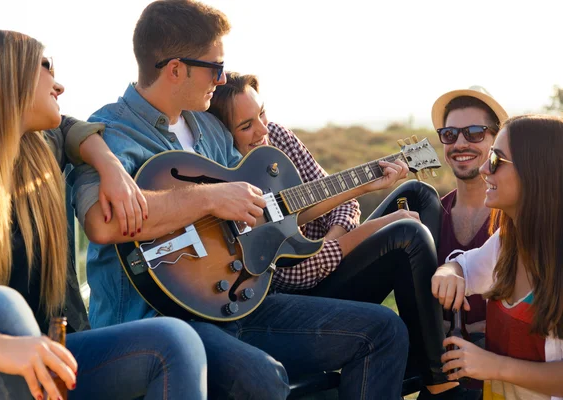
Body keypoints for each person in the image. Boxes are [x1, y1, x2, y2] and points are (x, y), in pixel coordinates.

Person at [71, 1, 409, 399]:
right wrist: (212, 197)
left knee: (383, 330)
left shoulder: (210, 129)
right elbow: (104, 223)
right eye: (215, 67)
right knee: (261, 377)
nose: (223, 76)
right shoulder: (111, 134)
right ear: (175, 68)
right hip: (158, 323)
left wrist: (360, 185)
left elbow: (268, 211)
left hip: (239, 305)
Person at [0, 29, 207, 400]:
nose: (58, 85)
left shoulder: (38, 154)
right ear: (4, 75)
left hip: (51, 358)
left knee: (175, 340)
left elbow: (69, 126)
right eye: (46, 66)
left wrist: (111, 166)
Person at [206, 72, 481, 400]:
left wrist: (337, 234)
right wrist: (367, 231)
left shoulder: (276, 137)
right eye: (246, 125)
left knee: (419, 194)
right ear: (223, 134)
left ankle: (435, 342)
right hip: (301, 297)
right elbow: (297, 274)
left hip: (330, 259)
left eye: (262, 114)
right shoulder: (228, 177)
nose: (262, 129)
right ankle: (441, 382)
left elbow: (345, 202)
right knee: (406, 233)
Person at [433, 114, 563, 400]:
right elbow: (463, 266)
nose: (482, 169)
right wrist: (449, 273)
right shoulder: (506, 243)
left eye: (495, 161)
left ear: (535, 171)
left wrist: (492, 366)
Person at [432, 87, 509, 342]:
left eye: (475, 133)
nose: (460, 143)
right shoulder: (429, 216)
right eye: (450, 134)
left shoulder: (515, 217)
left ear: (496, 142)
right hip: (436, 374)